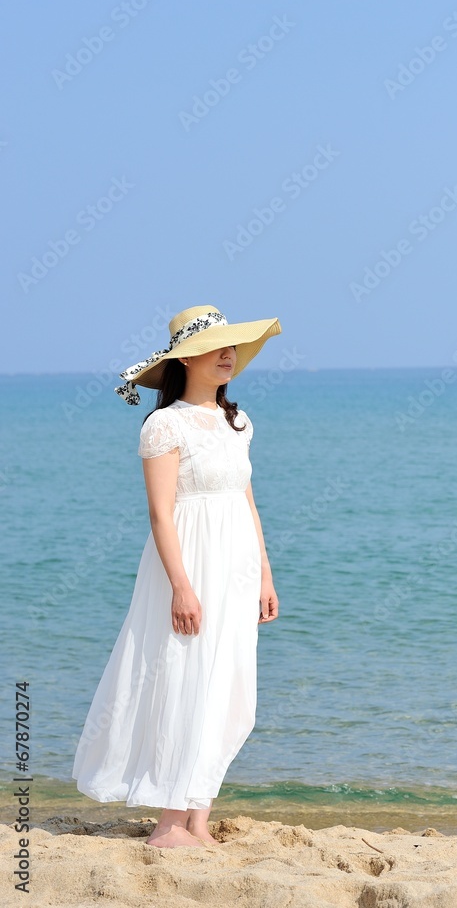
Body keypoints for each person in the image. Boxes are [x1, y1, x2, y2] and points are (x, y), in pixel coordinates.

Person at [72, 304, 282, 847]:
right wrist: (181, 587)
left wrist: (265, 574)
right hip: (189, 564)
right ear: (186, 359)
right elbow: (161, 514)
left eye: (231, 346)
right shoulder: (165, 424)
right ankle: (169, 823)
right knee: (183, 676)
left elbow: (247, 503)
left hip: (236, 565)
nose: (228, 354)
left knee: (228, 686)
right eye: (215, 347)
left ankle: (198, 820)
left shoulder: (239, 423)